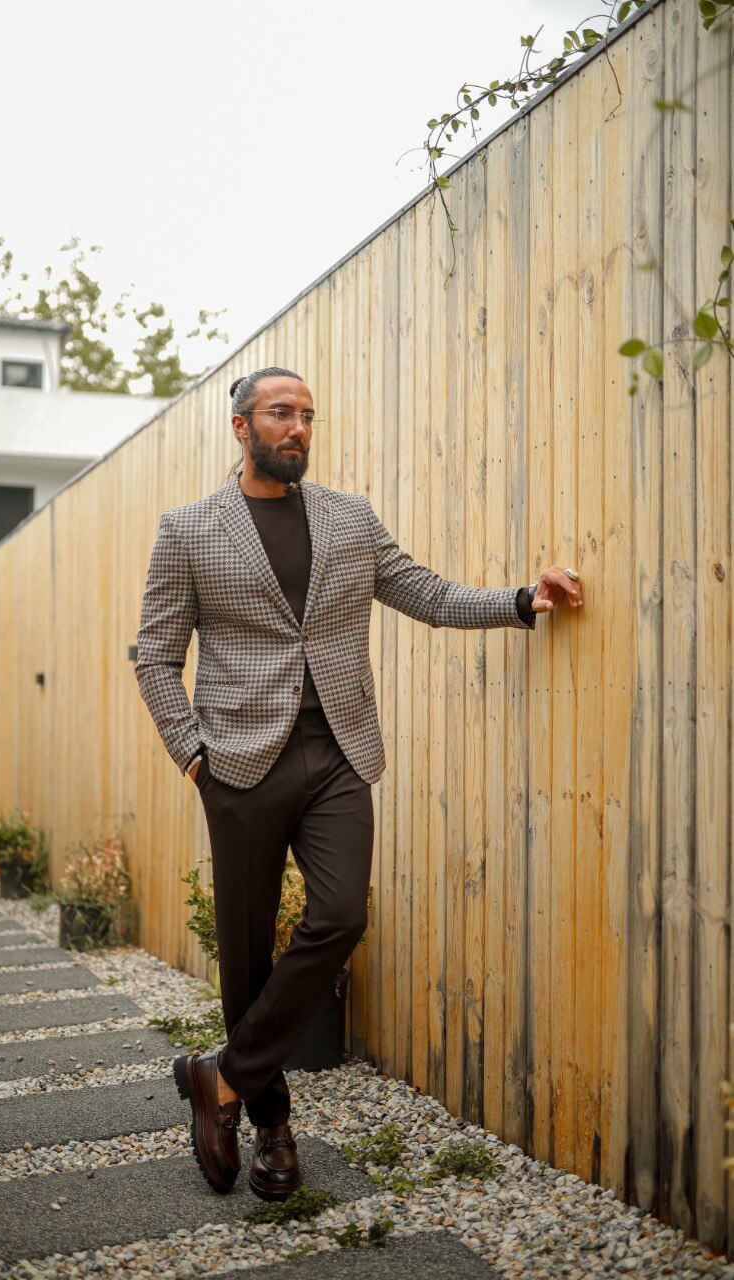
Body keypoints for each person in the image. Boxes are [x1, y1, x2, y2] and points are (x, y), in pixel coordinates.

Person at [134, 366, 583, 1200]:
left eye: (306, 414)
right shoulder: (189, 529)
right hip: (236, 762)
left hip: (338, 751)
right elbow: (154, 653)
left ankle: (220, 1077)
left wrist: (522, 599)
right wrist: (190, 752)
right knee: (244, 954)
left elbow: (423, 591)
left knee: (339, 916)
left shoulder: (347, 518)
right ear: (241, 427)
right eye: (280, 413)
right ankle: (269, 1123)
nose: (297, 427)